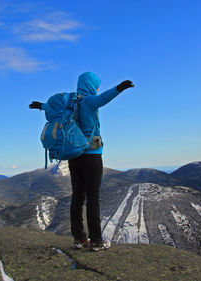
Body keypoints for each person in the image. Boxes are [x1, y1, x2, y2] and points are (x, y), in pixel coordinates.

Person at [29, 72, 134, 251]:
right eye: (96, 85)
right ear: (91, 85)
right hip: (92, 156)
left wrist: (40, 105)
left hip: (74, 155)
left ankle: (79, 239)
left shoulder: (70, 101)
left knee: (77, 197)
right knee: (93, 198)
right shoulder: (88, 100)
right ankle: (96, 241)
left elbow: (50, 107)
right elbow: (103, 98)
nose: (97, 88)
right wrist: (120, 88)